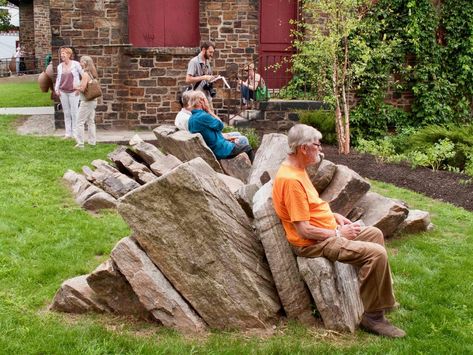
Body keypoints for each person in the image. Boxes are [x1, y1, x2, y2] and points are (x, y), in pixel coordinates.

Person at [272, 124, 406, 338]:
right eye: (317, 144)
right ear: (304, 148)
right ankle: (373, 318)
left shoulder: (298, 169)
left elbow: (311, 207)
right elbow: (303, 229)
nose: (321, 149)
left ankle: (381, 300)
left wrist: (333, 217)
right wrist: (337, 234)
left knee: (375, 234)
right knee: (376, 254)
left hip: (324, 230)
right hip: (312, 244)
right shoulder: (291, 181)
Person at [188, 91, 254, 163]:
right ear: (201, 101)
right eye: (205, 99)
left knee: (239, 140)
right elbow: (221, 125)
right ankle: (254, 172)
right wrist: (209, 111)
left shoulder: (191, 119)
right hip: (221, 150)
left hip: (214, 147)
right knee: (248, 148)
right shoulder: (203, 116)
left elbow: (212, 132)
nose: (207, 101)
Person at [54, 47, 83, 139]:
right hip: (63, 92)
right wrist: (56, 89)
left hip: (74, 92)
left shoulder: (76, 64)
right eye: (61, 53)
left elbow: (84, 75)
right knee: (66, 113)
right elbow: (58, 79)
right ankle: (68, 133)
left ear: (69, 55)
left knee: (74, 113)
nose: (62, 55)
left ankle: (75, 133)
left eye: (64, 53)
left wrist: (79, 88)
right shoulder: (60, 66)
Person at [74, 56, 98, 149]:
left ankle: (80, 144)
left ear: (85, 62)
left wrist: (75, 87)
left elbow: (83, 88)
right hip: (93, 101)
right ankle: (92, 142)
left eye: (81, 62)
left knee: (79, 122)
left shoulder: (85, 74)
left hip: (86, 102)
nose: (80, 63)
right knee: (91, 122)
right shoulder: (92, 73)